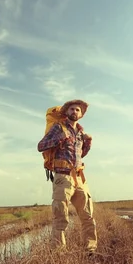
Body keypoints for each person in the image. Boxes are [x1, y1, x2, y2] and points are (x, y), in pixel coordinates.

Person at [37, 99, 98, 254]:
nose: (74, 112)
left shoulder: (81, 133)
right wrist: (60, 139)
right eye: (72, 109)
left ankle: (90, 250)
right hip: (62, 178)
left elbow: (80, 154)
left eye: (78, 110)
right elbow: (41, 146)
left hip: (79, 178)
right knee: (60, 217)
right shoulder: (59, 127)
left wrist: (88, 143)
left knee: (88, 216)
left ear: (81, 114)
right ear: (67, 112)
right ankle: (59, 253)